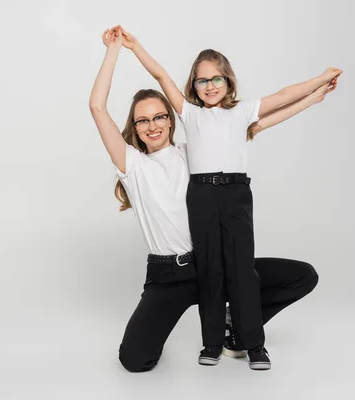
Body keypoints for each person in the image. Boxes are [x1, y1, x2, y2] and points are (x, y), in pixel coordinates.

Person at [89, 28, 332, 371]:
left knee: (302, 276)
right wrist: (116, 49)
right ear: (135, 127)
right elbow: (97, 107)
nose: (152, 125)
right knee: (135, 360)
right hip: (170, 277)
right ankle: (219, 326)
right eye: (142, 120)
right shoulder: (132, 164)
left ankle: (238, 327)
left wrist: (312, 97)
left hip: (210, 261)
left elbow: (252, 126)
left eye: (160, 116)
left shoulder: (192, 153)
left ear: (171, 121)